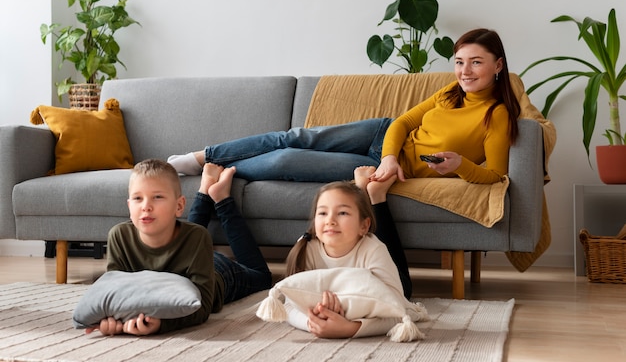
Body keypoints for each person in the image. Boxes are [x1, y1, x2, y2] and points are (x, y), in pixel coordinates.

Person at [168, 28, 520, 186]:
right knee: (295, 136)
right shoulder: (449, 93)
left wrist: (461, 166)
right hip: (383, 140)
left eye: (476, 62)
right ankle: (203, 156)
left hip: (375, 166)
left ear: (498, 66)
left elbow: (497, 177)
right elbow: (403, 121)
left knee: (286, 160)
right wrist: (390, 155)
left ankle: (215, 168)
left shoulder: (497, 116)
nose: (464, 71)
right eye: (460, 62)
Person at [86, 159, 272, 336]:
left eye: (157, 197)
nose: (146, 206)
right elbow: (114, 295)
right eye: (137, 198)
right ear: (129, 205)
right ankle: (205, 188)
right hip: (186, 259)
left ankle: (221, 199)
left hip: (218, 273)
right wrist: (110, 319)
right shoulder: (119, 236)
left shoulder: (197, 239)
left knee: (262, 278)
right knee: (171, 225)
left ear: (180, 205)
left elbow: (202, 306)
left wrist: (162, 324)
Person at [281, 174, 409, 339]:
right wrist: (313, 323)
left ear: (364, 226)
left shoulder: (374, 249)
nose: (330, 220)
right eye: (322, 213)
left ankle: (372, 194)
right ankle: (362, 191)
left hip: (387, 284)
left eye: (342, 213)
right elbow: (289, 306)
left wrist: (350, 328)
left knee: (405, 288)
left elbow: (398, 312)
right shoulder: (308, 248)